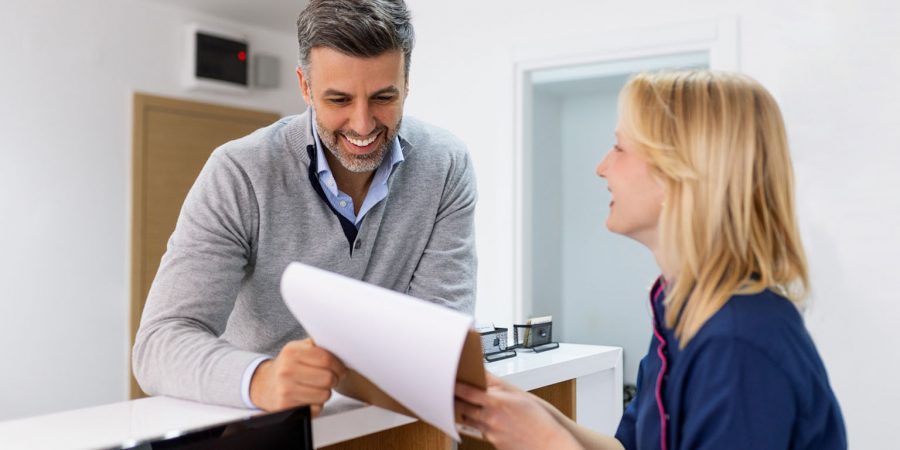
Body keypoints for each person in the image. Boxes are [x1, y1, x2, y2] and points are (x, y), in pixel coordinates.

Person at [455, 70, 846, 449]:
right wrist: (527, 412)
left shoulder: (737, 343)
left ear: (680, 174)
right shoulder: (680, 311)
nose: (601, 167)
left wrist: (545, 443)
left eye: (620, 147)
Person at [133, 0, 477, 416]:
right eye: (338, 100)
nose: (363, 124)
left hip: (391, 421)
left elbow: (440, 331)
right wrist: (263, 379)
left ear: (406, 81)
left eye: (384, 96)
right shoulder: (239, 172)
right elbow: (159, 344)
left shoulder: (445, 164)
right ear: (305, 86)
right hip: (269, 425)